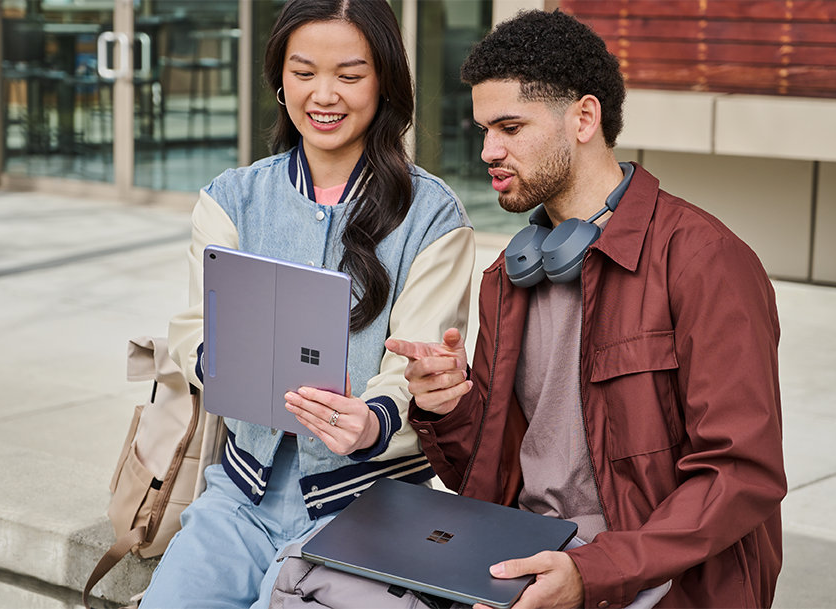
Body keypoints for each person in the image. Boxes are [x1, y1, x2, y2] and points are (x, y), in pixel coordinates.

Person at [385, 10, 786, 609]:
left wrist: (591, 573)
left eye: (511, 127)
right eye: (483, 130)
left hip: (660, 584)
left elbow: (741, 474)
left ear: (584, 117)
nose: (489, 150)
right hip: (530, 564)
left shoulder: (706, 261)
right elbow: (493, 477)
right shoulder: (508, 278)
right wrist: (447, 407)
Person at [141, 0, 474, 607]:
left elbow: (412, 367)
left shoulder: (433, 217)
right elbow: (194, 329)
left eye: (349, 75)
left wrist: (371, 418)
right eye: (303, 72)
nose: (324, 95)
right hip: (240, 497)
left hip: (368, 507)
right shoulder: (232, 199)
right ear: (279, 79)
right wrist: (223, 360)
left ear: (385, 82)